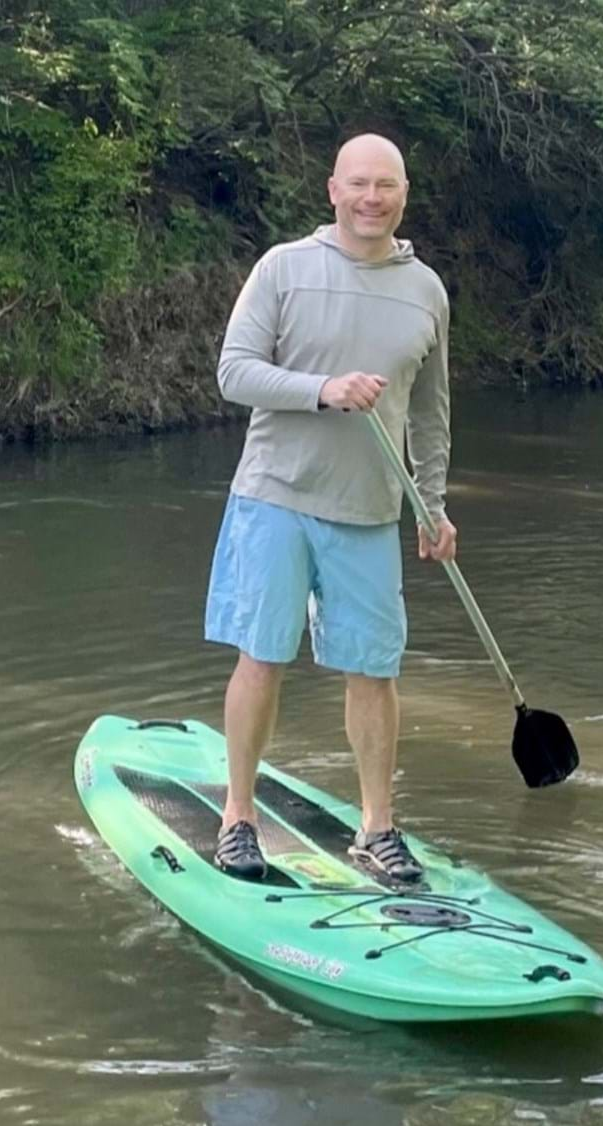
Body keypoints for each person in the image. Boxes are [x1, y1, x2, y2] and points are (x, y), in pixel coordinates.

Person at [203, 133, 457, 884]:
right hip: (275, 497)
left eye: (386, 185)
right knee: (263, 657)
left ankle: (378, 828)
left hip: (371, 511)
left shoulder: (427, 291)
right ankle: (237, 818)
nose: (372, 198)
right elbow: (233, 372)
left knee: (373, 671)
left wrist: (433, 506)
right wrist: (323, 389)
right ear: (333, 190)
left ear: (404, 195)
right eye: (359, 185)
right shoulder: (284, 269)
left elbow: (432, 414)